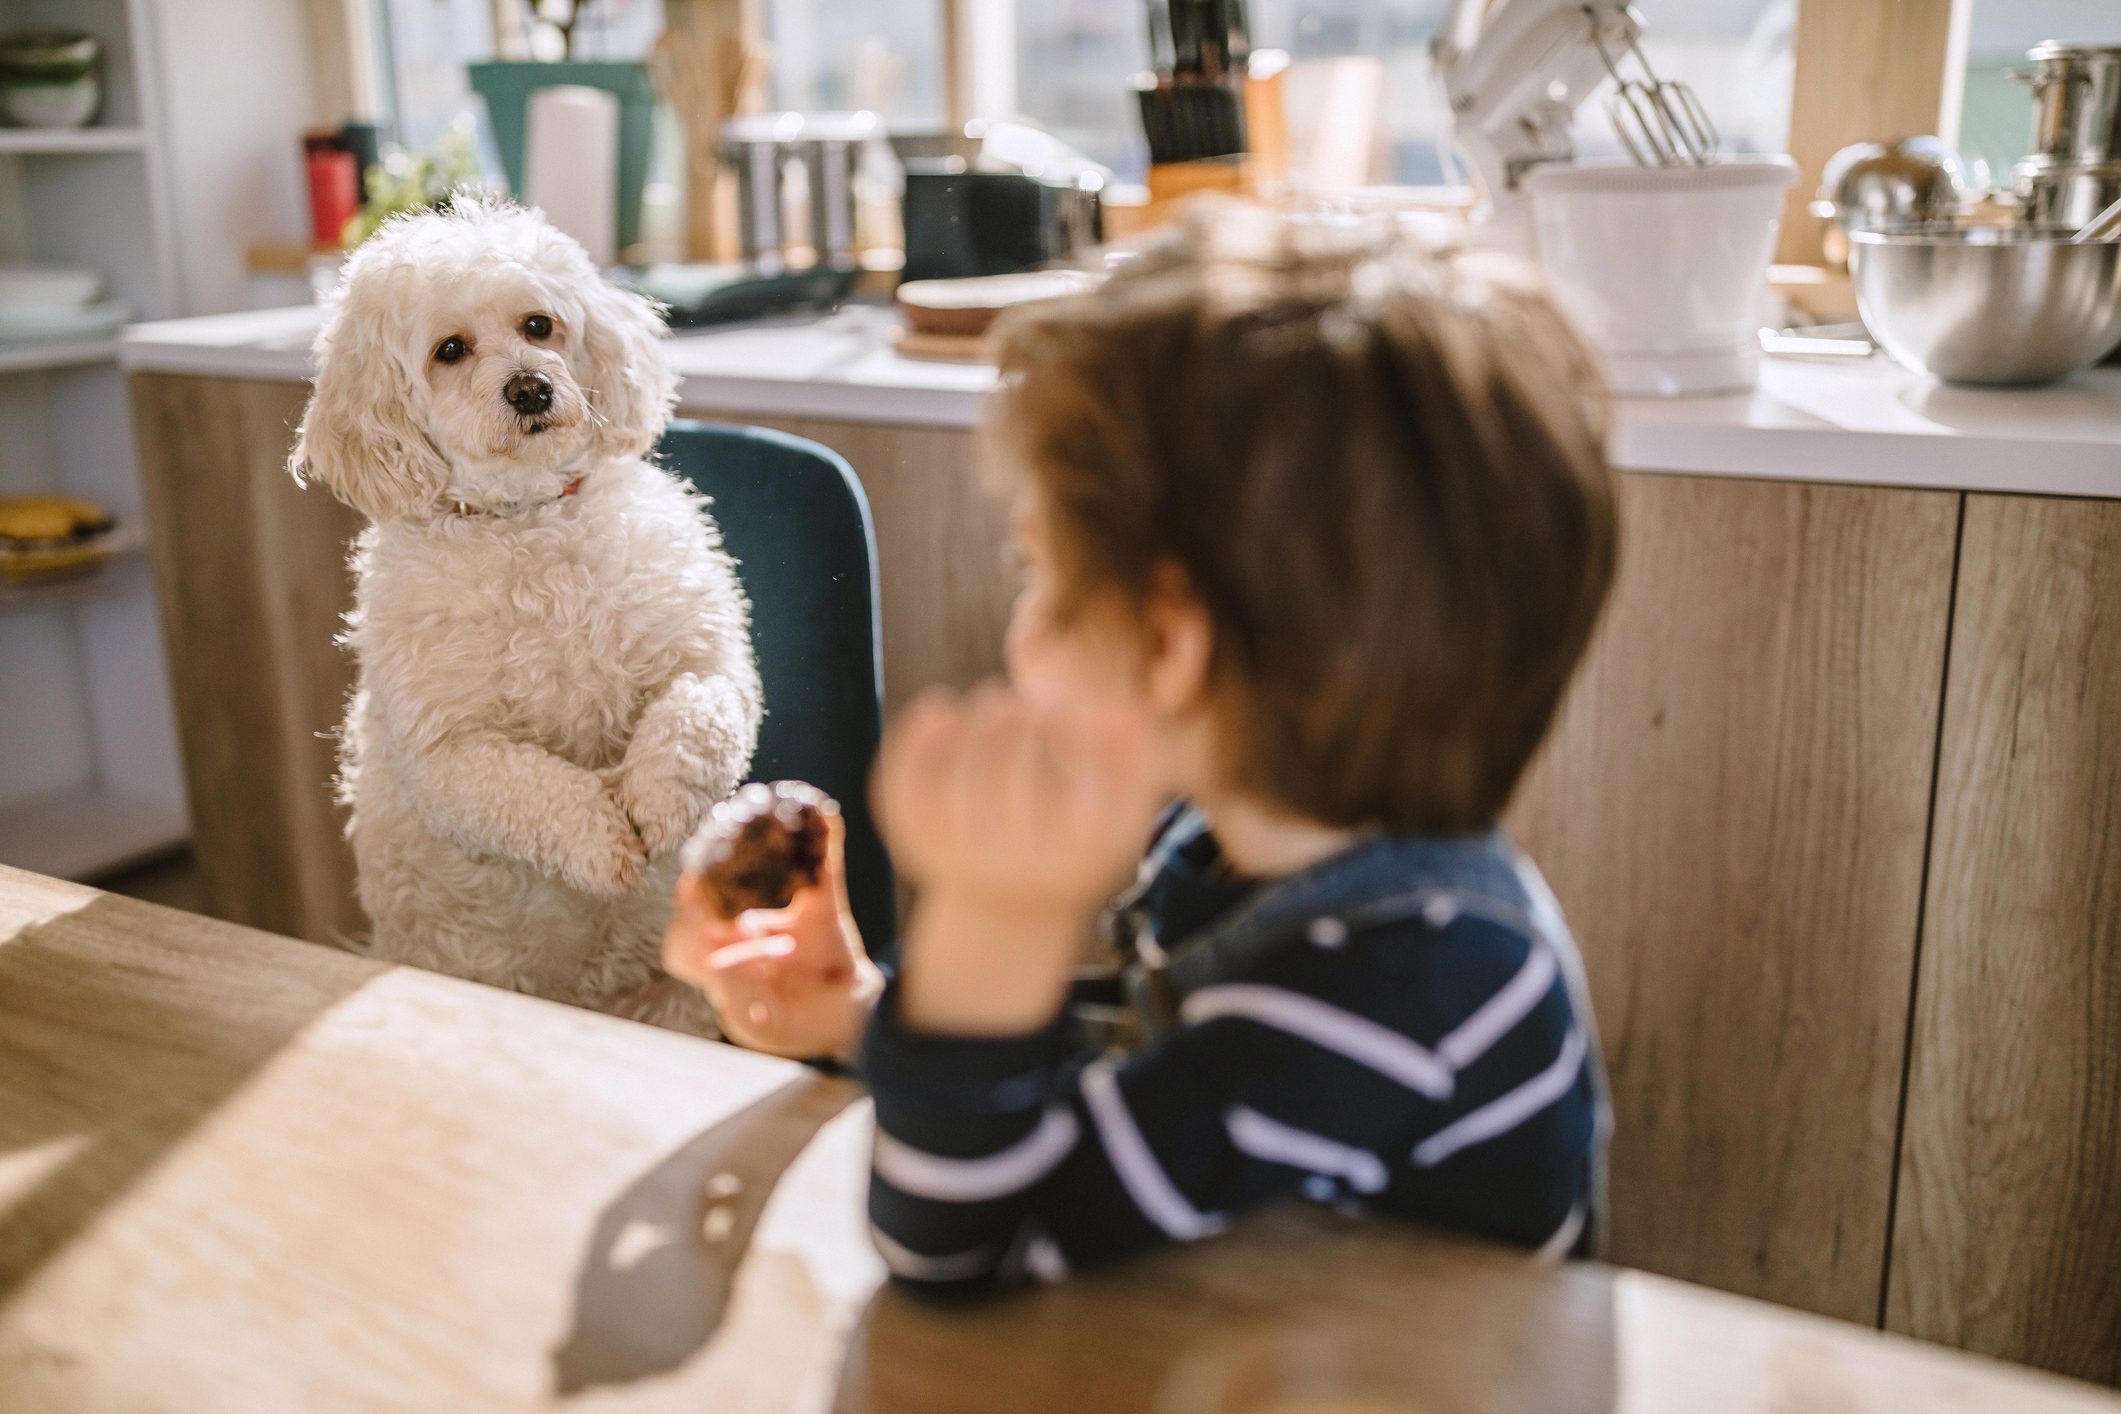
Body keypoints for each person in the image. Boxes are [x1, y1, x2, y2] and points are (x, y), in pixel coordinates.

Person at [663, 203, 1619, 1290]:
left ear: (1167, 644)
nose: (1018, 621)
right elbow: (1129, 1098)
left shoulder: (1409, 990)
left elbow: (965, 1242)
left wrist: (993, 914)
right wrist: (863, 1011)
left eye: (1040, 568)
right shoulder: (1244, 851)